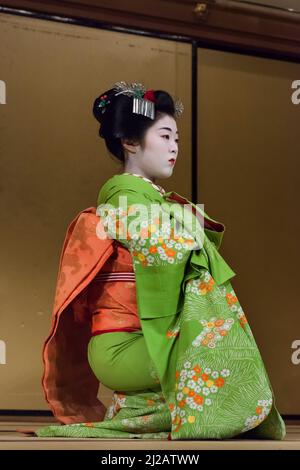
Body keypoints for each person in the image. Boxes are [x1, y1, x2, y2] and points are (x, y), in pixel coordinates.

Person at [34, 81, 286, 440]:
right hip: (120, 345)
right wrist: (190, 224)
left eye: (178, 140)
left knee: (218, 353)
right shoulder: (122, 194)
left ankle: (149, 413)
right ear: (130, 142)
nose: (174, 148)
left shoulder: (154, 200)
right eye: (165, 136)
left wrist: (185, 220)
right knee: (214, 346)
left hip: (143, 339)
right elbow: (157, 245)